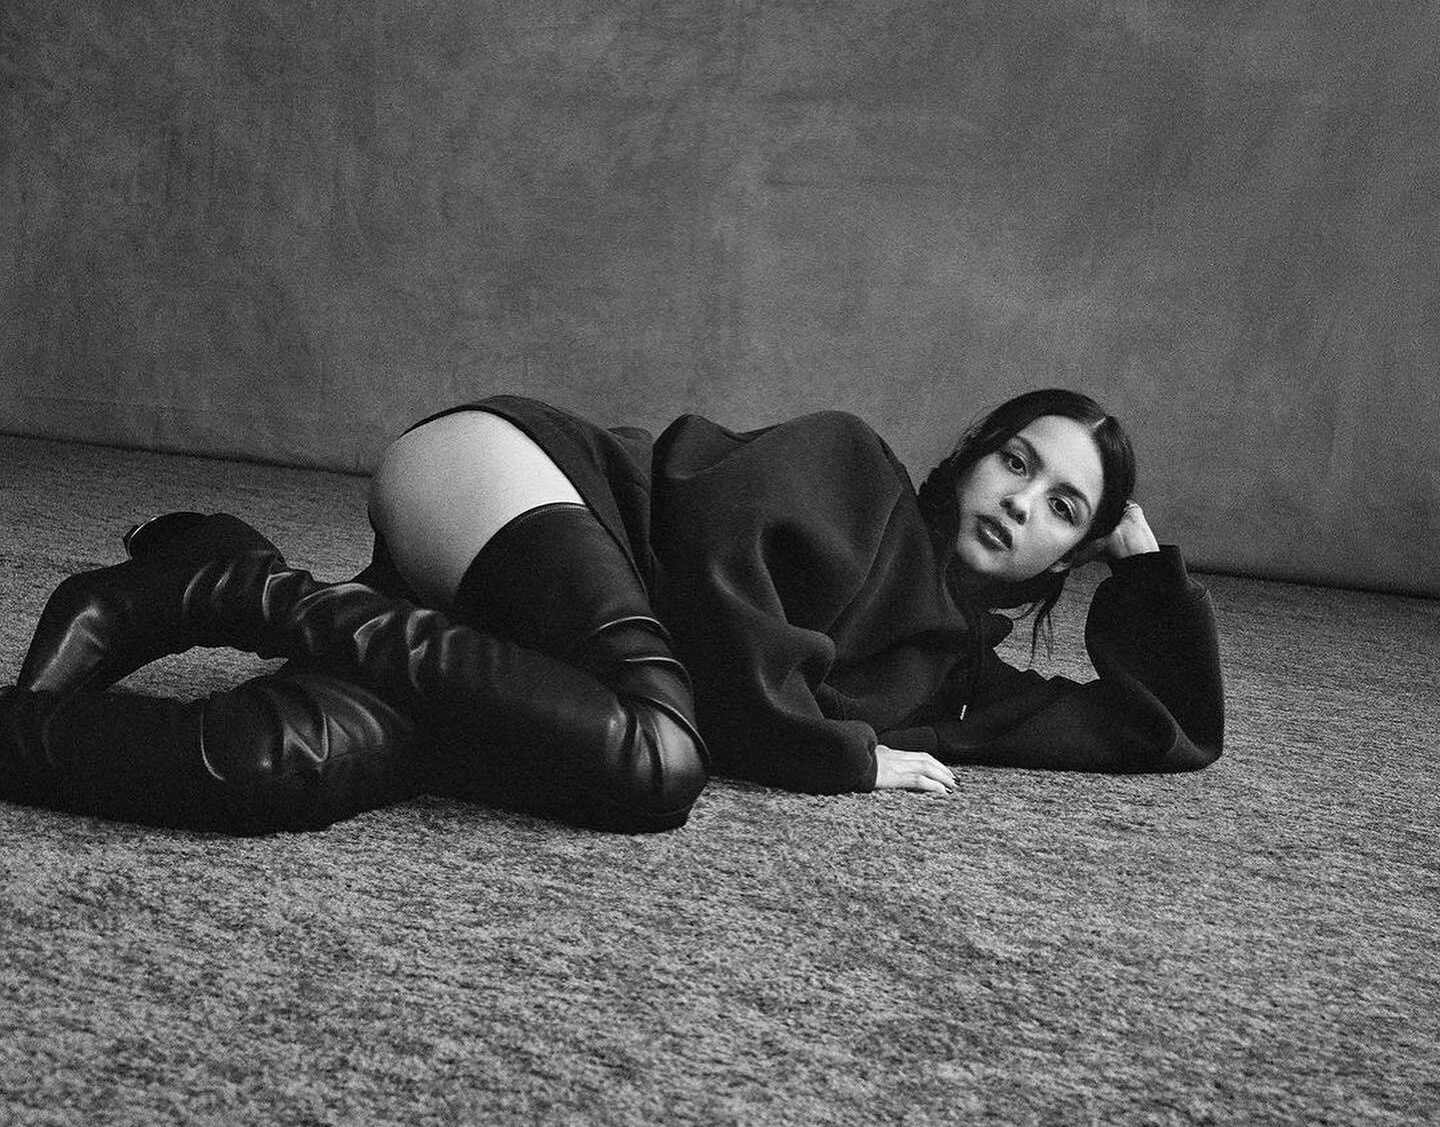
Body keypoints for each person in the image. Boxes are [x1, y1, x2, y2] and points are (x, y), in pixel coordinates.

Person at [0, 388, 1223, 835]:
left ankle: (60, 697)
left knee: (270, 763)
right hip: (505, 480)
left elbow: (1157, 729)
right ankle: (227, 585)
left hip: (510, 652)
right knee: (656, 761)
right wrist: (842, 755)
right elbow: (727, 631)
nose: (1023, 500)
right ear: (973, 453)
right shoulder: (848, 468)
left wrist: (1145, 567)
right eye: (1018, 459)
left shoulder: (951, 679)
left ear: (1073, 549)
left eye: (1065, 504)